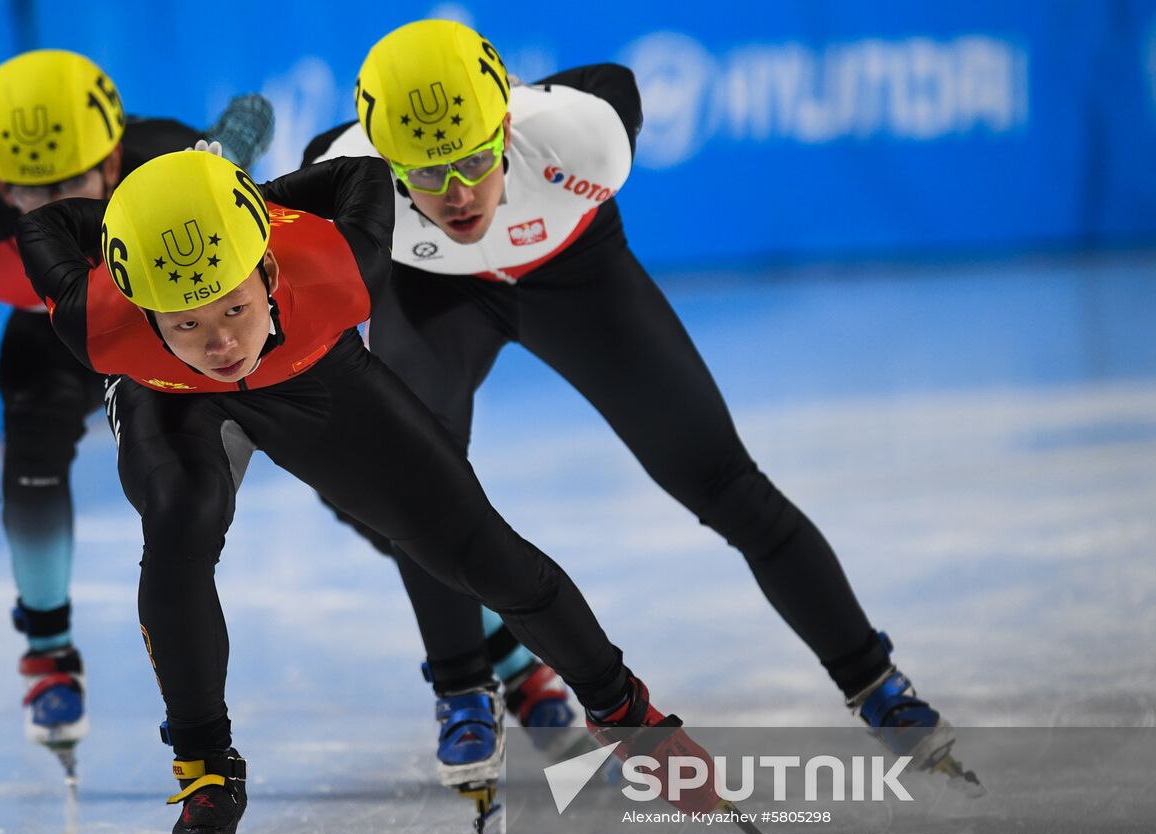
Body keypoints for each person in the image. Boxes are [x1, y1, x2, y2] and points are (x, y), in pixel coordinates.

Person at [14, 144, 769, 834]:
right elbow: (42, 224)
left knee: (483, 548)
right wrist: (145, 235)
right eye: (186, 322)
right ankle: (205, 763)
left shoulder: (334, 263)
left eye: (235, 308)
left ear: (269, 272)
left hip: (313, 366)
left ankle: (623, 709)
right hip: (165, 396)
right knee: (180, 522)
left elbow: (363, 172)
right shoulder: (99, 322)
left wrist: (251, 196)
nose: (219, 344)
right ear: (142, 308)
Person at [304, 19, 979, 789]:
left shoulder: (579, 136)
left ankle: (876, 683)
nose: (457, 194)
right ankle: (463, 687)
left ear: (505, 123)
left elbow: (613, 83)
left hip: (574, 273)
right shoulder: (346, 175)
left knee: (723, 482)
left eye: (473, 158)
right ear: (386, 158)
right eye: (425, 173)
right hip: (439, 295)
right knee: (415, 484)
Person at [0, 49, 274, 778]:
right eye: (29, 194)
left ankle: (477, 636)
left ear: (114, 159)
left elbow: (252, 110)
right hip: (67, 330)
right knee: (31, 447)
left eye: (72, 184)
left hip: (192, 326)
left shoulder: (170, 160)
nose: (53, 209)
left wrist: (228, 155)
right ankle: (47, 650)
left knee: (344, 467)